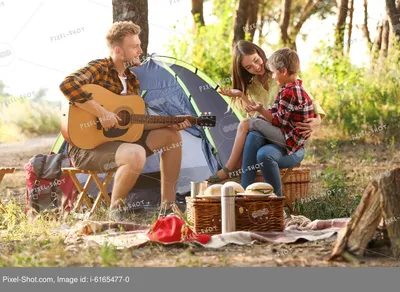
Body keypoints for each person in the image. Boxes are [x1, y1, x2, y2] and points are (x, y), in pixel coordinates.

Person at [60, 21, 191, 221]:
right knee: (136, 153)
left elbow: (132, 123)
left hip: (121, 145)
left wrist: (169, 122)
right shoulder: (100, 68)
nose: (140, 50)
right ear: (119, 51)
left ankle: (168, 207)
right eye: (135, 46)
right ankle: (116, 212)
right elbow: (67, 84)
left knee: (171, 136)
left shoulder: (132, 80)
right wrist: (101, 112)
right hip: (87, 148)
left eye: (139, 45)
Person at [209, 41, 326, 195]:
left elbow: (310, 101)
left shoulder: (281, 75)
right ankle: (245, 194)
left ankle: (231, 168)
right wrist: (242, 96)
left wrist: (317, 121)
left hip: (288, 141)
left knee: (251, 131)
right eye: (249, 67)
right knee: (253, 133)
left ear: (260, 53)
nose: (256, 67)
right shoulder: (251, 87)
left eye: (256, 60)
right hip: (270, 135)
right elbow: (259, 118)